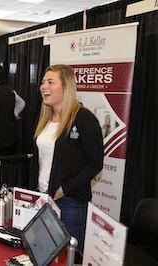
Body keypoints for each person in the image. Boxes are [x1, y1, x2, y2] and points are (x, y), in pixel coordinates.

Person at [29, 64, 103, 254]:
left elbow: (95, 164)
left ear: (66, 87)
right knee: (44, 253)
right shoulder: (45, 117)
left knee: (69, 257)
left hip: (70, 202)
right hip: (43, 198)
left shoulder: (84, 119)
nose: (43, 86)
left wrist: (64, 190)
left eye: (50, 82)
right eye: (43, 82)